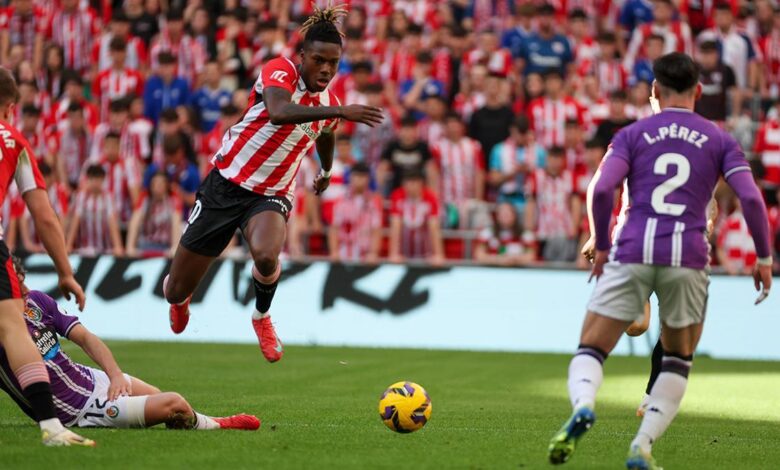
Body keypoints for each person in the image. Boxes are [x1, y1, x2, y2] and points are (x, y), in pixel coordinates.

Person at [547, 53, 773, 469]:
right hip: (687, 255)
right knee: (678, 358)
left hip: (632, 247)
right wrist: (763, 256)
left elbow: (601, 191)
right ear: (699, 91)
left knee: (592, 347)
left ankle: (583, 404)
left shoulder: (633, 135)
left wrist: (600, 244)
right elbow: (753, 198)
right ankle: (642, 446)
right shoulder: (719, 139)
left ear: (654, 90)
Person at [162, 5, 384, 365]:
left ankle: (261, 317)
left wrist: (326, 171)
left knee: (266, 255)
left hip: (271, 194)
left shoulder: (329, 105)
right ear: (302, 57)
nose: (326, 69)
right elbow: (280, 112)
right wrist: (340, 112)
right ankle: (179, 300)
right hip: (226, 184)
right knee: (175, 289)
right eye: (318, 60)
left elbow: (326, 136)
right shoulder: (279, 71)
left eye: (333, 63)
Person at [2, 257, 259, 431]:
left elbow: (86, 338)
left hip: (91, 379)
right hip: (79, 410)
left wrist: (114, 376)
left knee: (157, 394)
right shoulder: (5, 329)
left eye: (22, 279)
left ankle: (187, 423)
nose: (23, 287)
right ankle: (216, 424)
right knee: (175, 404)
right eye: (16, 283)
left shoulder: (36, 300)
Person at [0, 66, 93, 446]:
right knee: (11, 327)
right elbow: (44, 216)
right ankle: (51, 426)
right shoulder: (13, 142)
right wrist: (66, 272)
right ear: (9, 106)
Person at [328, 162, 383, 263]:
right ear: (351, 177)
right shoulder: (340, 201)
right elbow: (334, 228)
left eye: (362, 176)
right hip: (343, 254)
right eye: (356, 176)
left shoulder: (374, 202)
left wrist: (373, 253)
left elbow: (376, 230)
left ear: (368, 179)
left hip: (365, 257)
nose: (359, 180)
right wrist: (334, 251)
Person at [388, 169, 445, 265]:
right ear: (403, 184)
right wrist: (393, 253)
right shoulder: (397, 196)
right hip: (403, 256)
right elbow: (395, 225)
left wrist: (438, 254)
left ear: (421, 183)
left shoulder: (430, 197)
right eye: (408, 183)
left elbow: (434, 227)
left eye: (414, 183)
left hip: (426, 255)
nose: (411, 187)